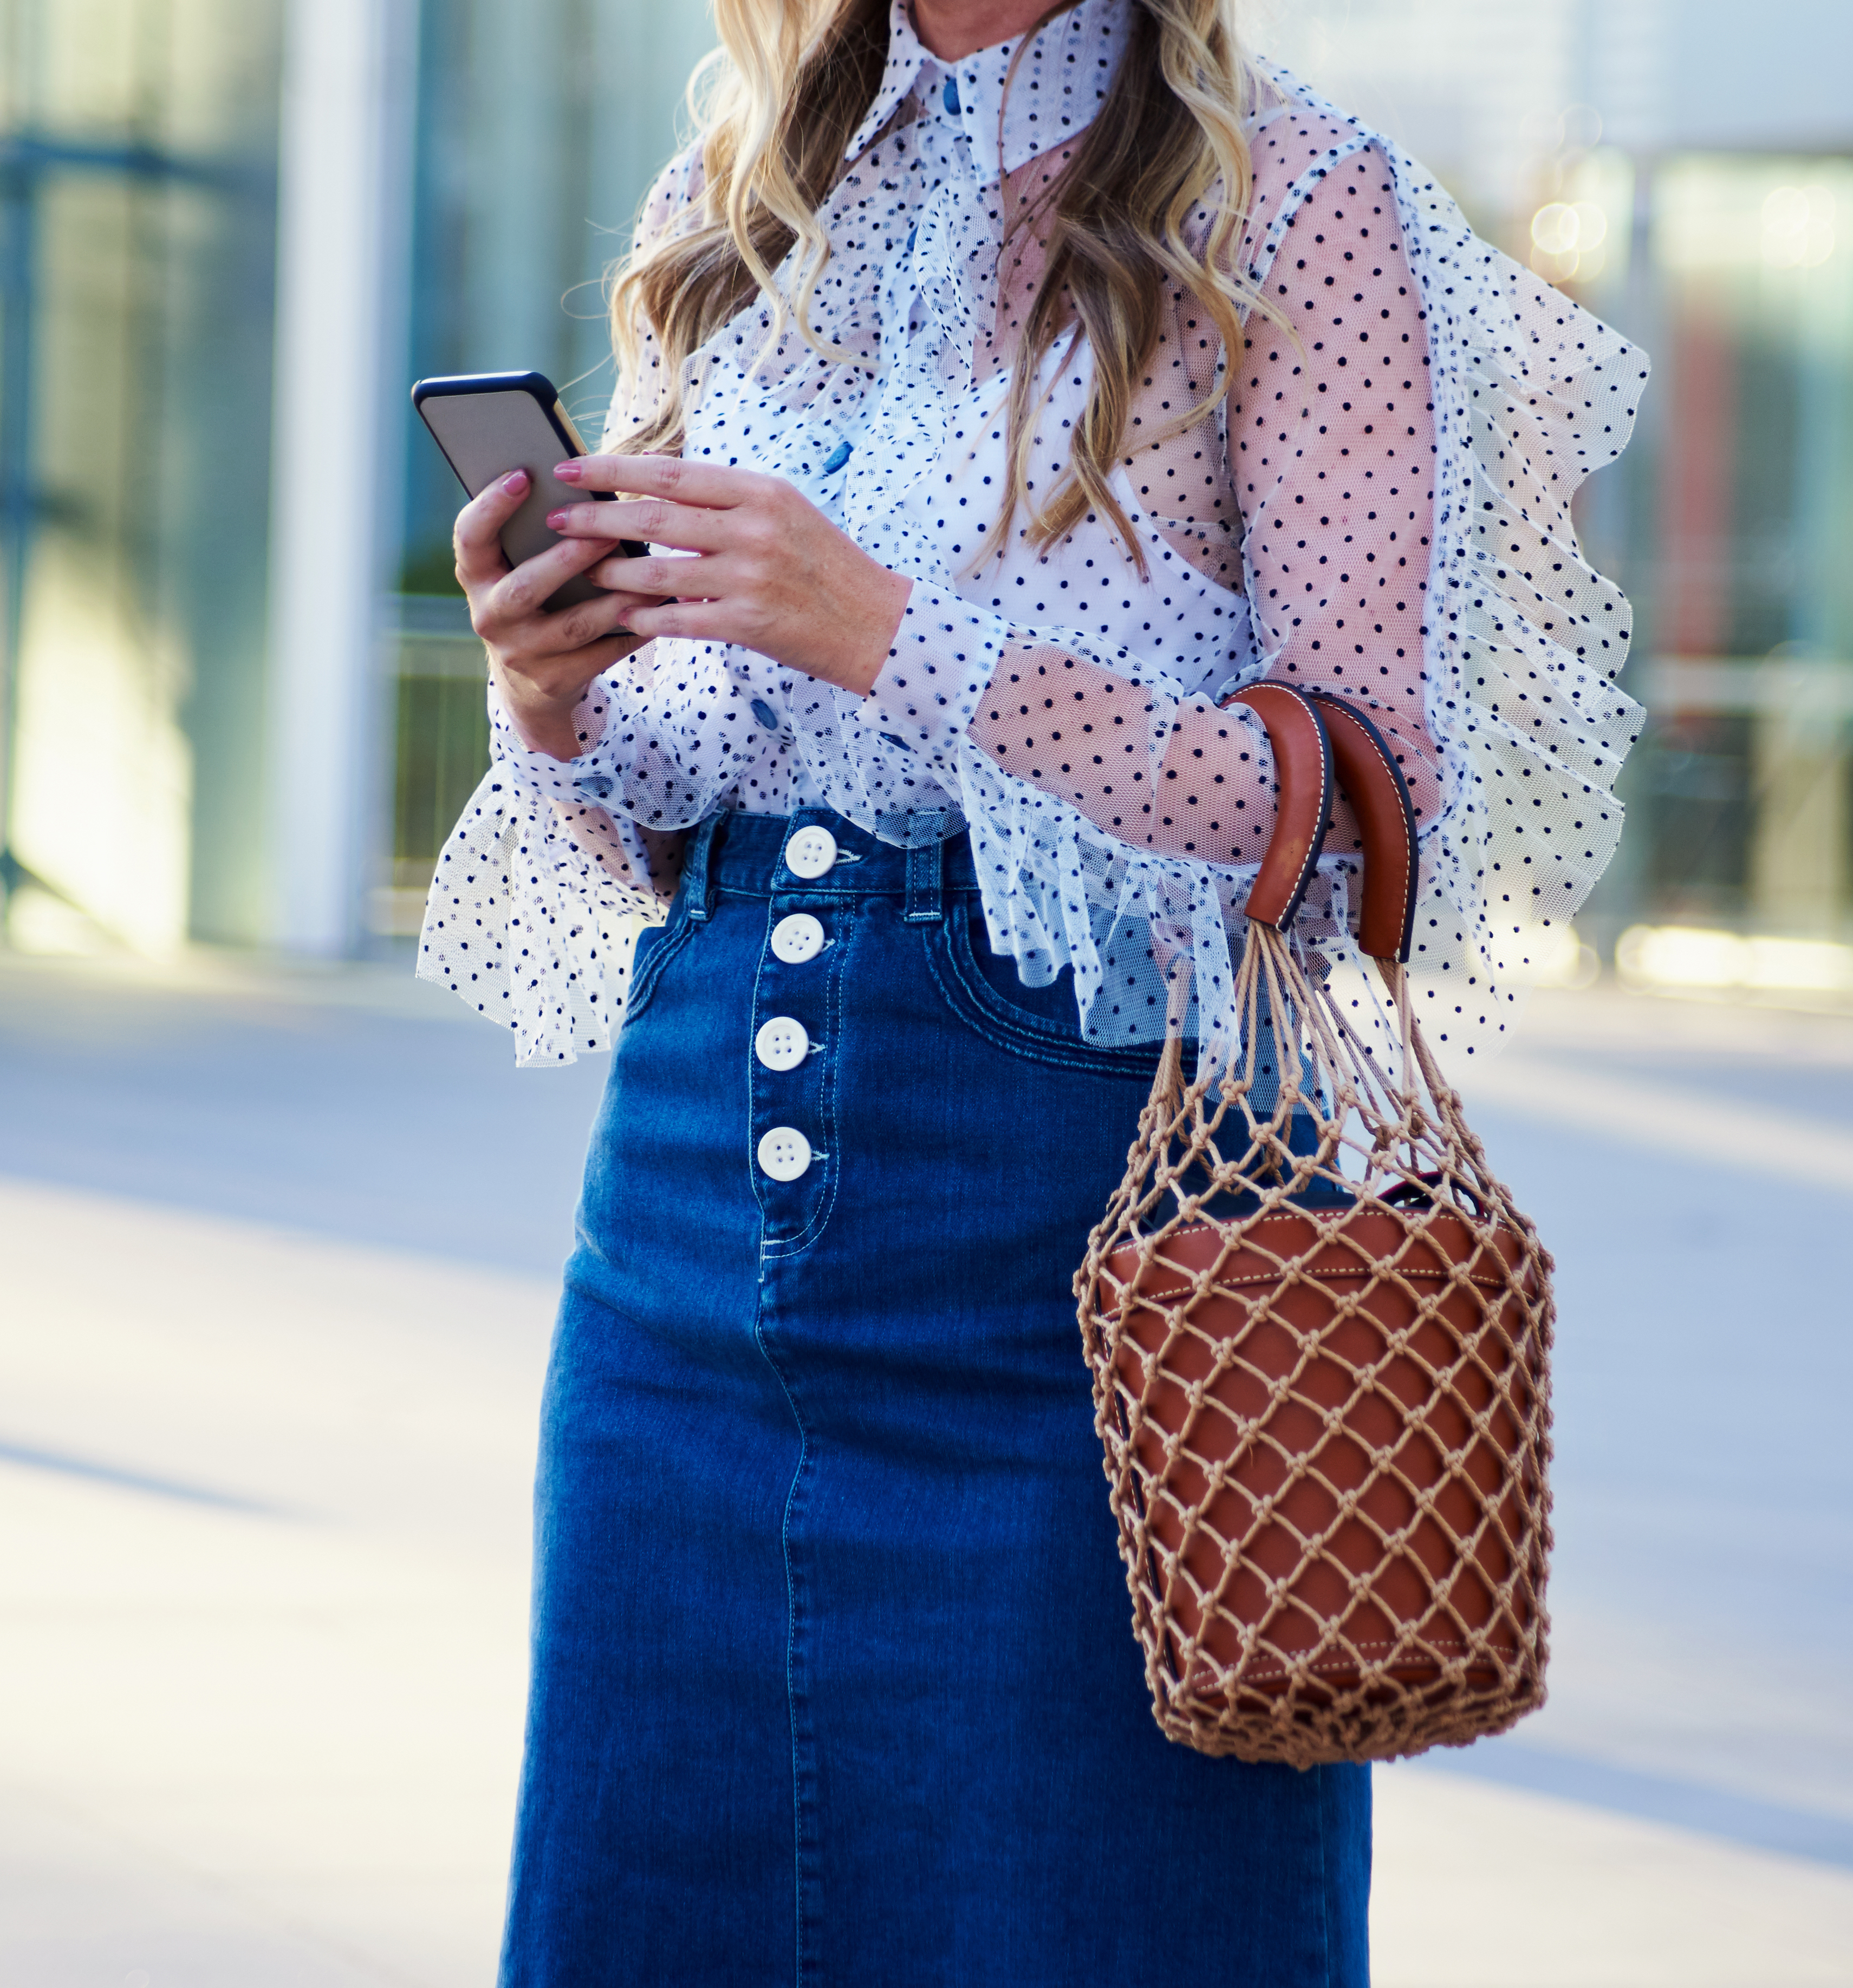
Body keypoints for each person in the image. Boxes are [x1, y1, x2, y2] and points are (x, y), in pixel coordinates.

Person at [422, 0, 1645, 1979]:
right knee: (647, 1912)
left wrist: (896, 637)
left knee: (1103, 1917)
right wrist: (550, 687)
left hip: (1088, 1251)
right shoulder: (732, 195)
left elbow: (1367, 809)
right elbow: (656, 799)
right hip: (673, 1235)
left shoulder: (1294, 198)